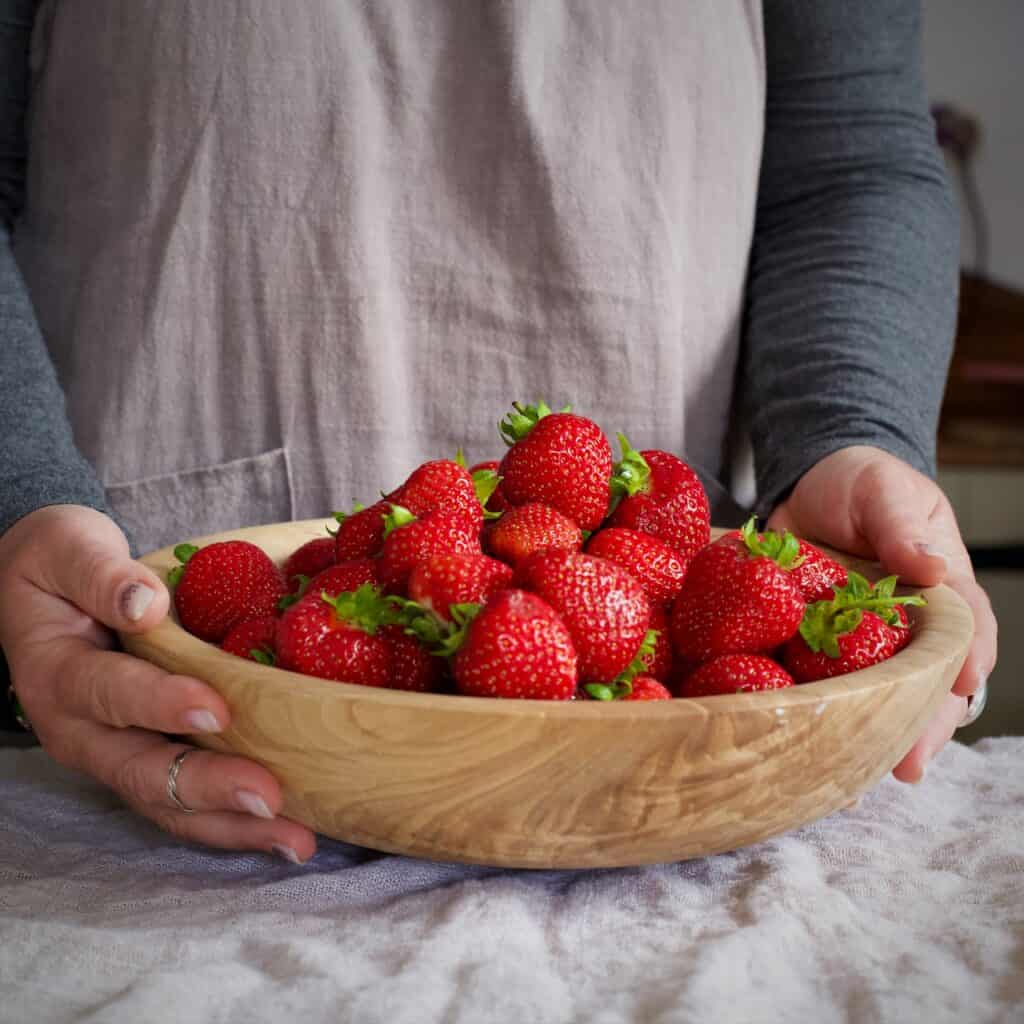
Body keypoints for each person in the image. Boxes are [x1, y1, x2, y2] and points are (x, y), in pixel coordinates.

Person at [0, 0, 996, 865]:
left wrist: (843, 430)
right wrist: (20, 491)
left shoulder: (656, 589)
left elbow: (846, 153)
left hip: (660, 770)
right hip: (154, 688)